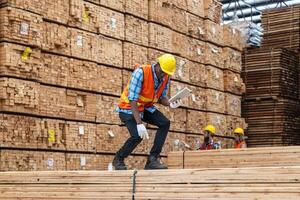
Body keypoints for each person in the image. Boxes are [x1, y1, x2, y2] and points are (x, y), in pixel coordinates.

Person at [113, 54, 180, 170]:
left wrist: (170, 103)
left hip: (144, 107)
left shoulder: (166, 76)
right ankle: (118, 159)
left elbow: (161, 97)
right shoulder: (141, 72)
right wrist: (139, 123)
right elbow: (132, 99)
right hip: (128, 107)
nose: (163, 75)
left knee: (164, 123)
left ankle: (152, 160)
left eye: (166, 73)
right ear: (157, 65)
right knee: (137, 136)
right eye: (162, 71)